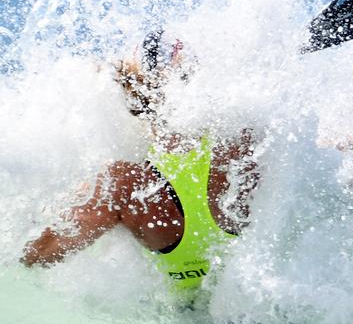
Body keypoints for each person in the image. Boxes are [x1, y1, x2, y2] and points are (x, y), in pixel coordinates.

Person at [20, 31, 258, 305]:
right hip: (256, 301)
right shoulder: (244, 147)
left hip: (187, 313)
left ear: (128, 93)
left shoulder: (122, 184)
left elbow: (37, 257)